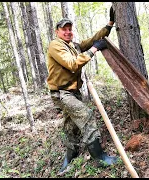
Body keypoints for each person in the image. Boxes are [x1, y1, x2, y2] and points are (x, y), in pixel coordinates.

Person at [46, 7, 117, 173]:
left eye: (70, 29)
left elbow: (92, 40)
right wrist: (94, 50)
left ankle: (71, 154)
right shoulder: (56, 46)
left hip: (73, 92)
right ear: (57, 32)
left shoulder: (72, 45)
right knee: (85, 115)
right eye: (64, 29)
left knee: (70, 125)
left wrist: (109, 24)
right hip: (62, 93)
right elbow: (72, 64)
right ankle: (99, 157)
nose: (68, 32)